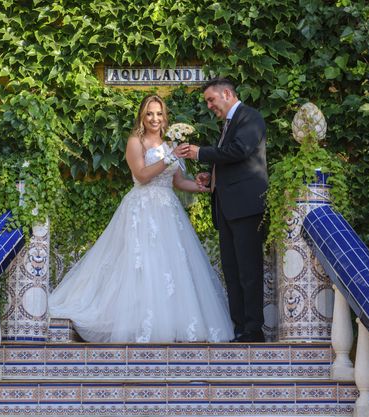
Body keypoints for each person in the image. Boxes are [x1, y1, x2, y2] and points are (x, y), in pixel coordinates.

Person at [48, 94, 234, 343]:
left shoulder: (170, 144)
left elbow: (177, 181)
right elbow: (142, 174)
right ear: (142, 116)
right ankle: (134, 321)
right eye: (149, 113)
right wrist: (171, 157)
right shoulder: (136, 142)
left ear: (164, 116)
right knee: (140, 263)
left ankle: (170, 321)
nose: (154, 118)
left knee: (169, 265)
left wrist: (201, 185)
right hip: (142, 209)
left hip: (168, 210)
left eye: (158, 113)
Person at [184, 78, 268, 342]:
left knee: (248, 270)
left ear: (227, 93)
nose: (209, 106)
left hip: (246, 208)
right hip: (227, 208)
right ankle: (239, 326)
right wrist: (211, 178)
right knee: (232, 272)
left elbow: (240, 150)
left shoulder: (250, 117)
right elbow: (232, 161)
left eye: (211, 100)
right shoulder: (228, 124)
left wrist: (200, 153)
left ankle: (254, 329)